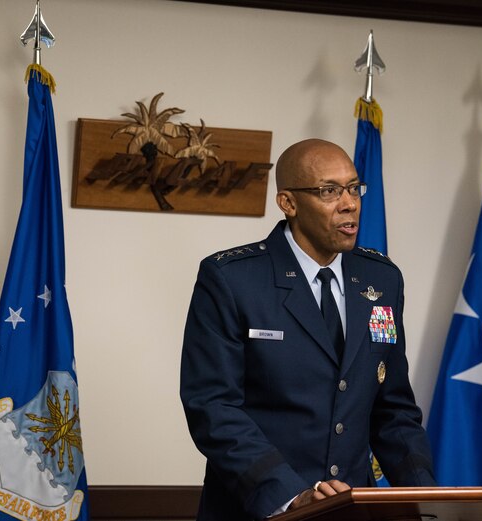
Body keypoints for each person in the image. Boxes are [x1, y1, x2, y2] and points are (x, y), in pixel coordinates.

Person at [180, 139, 436, 520]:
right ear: (288, 203)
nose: (349, 203)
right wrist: (289, 496)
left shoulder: (381, 279)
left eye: (354, 188)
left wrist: (427, 499)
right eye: (329, 191)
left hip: (351, 511)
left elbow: (393, 410)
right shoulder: (232, 280)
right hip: (258, 510)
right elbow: (213, 408)